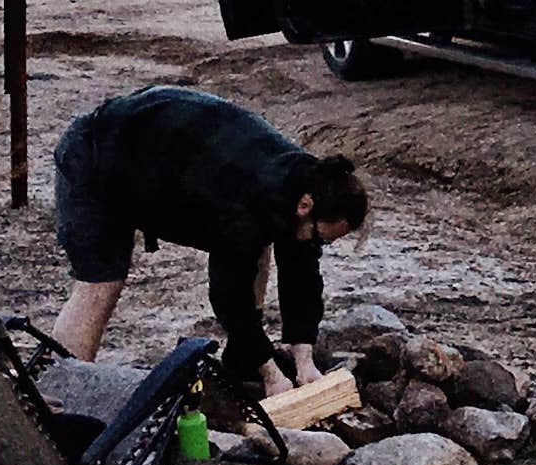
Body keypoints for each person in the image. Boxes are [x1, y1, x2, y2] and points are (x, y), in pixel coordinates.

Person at [42, 86, 367, 397]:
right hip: (96, 156)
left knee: (260, 250)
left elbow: (302, 276)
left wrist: (304, 362)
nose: (319, 245)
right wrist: (272, 376)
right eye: (320, 237)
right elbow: (229, 295)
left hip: (164, 153)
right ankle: (60, 397)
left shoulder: (304, 184)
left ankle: (243, 359)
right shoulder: (246, 203)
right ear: (305, 207)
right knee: (100, 284)